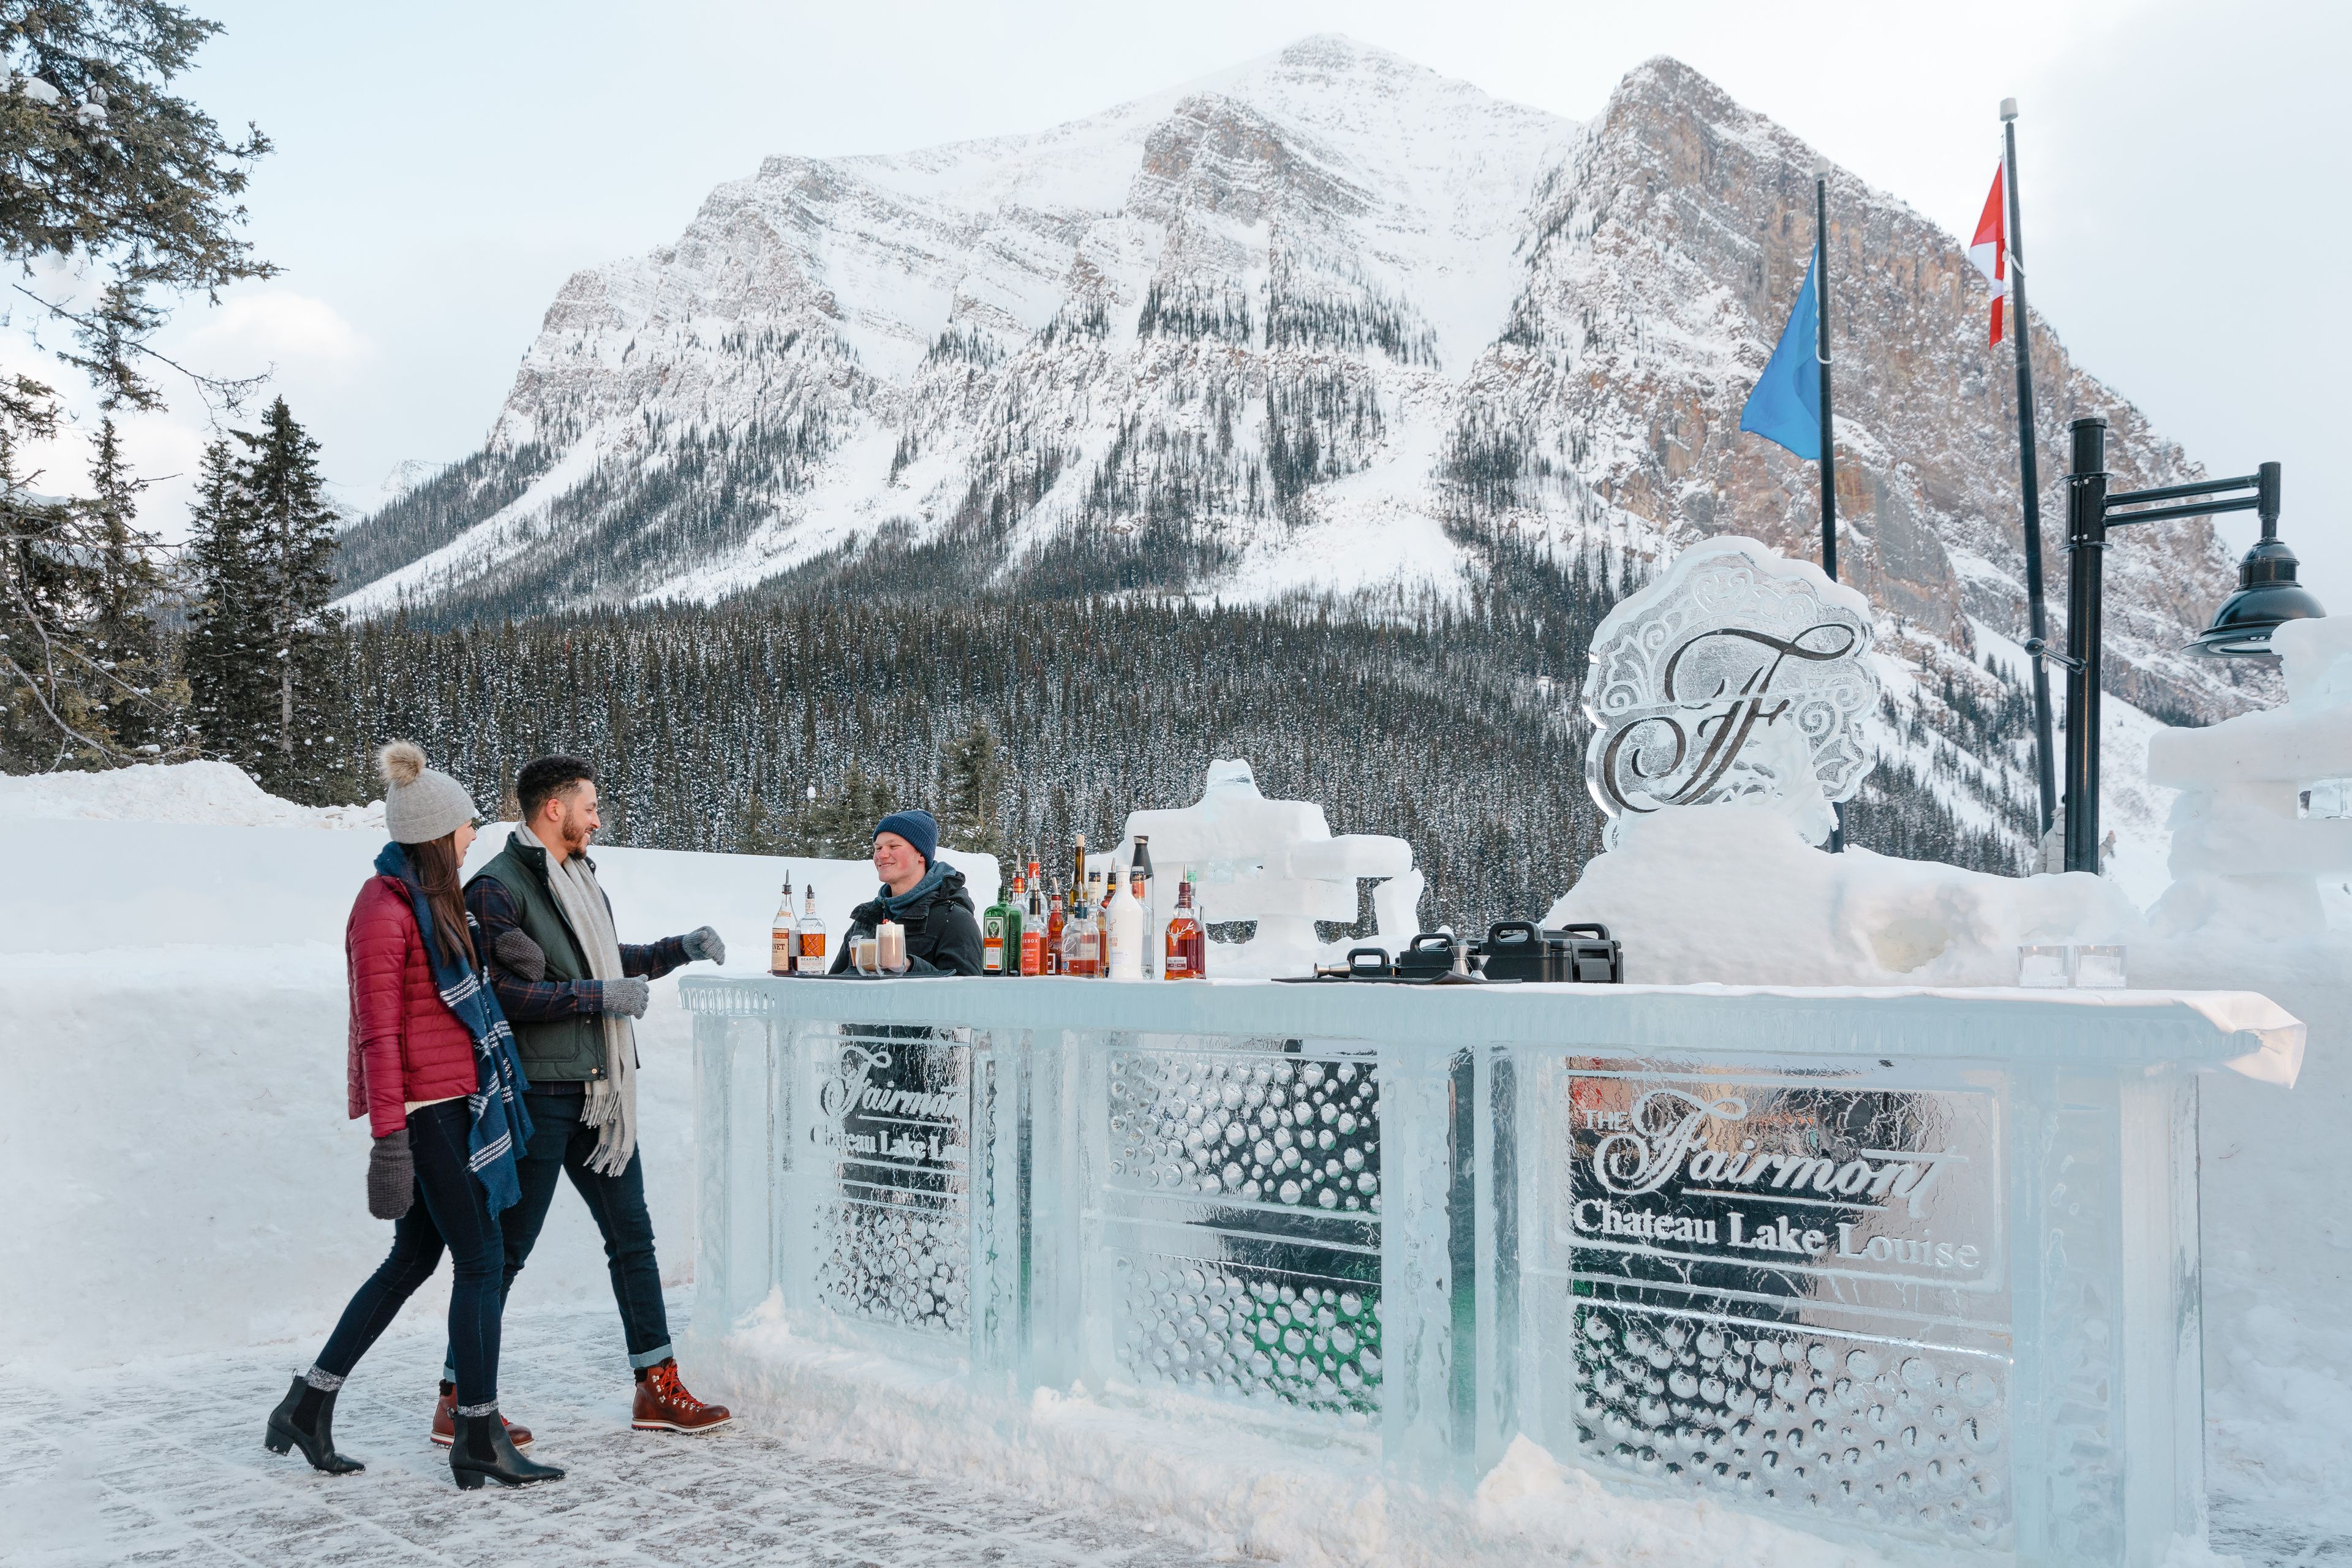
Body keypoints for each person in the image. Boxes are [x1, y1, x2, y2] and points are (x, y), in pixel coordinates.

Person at [266, 742, 562, 1490]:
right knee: (483, 1260)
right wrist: (390, 1140)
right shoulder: (382, 909)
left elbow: (448, 998)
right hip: (430, 1116)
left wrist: (505, 960)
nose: (474, 837)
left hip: (455, 1103)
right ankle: (477, 1432)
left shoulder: (434, 902)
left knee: (413, 1259)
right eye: (467, 826)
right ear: (436, 831)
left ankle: (308, 1403)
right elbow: (378, 1031)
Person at [452, 754, 733, 1439]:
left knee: (632, 1238)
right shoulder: (497, 887)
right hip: (542, 1091)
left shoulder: (579, 878)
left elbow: (606, 959)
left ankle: (656, 1387)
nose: (598, 818)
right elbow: (501, 995)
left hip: (601, 1095)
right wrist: (598, 996)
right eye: (590, 805)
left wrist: (679, 949)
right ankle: (457, 1397)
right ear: (555, 809)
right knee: (508, 1250)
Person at [829, 809, 984, 976]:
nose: (881, 854)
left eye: (893, 846)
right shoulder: (867, 918)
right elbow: (832, 987)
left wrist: (909, 966)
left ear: (921, 854)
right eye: (878, 847)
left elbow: (968, 994)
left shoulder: (954, 920)